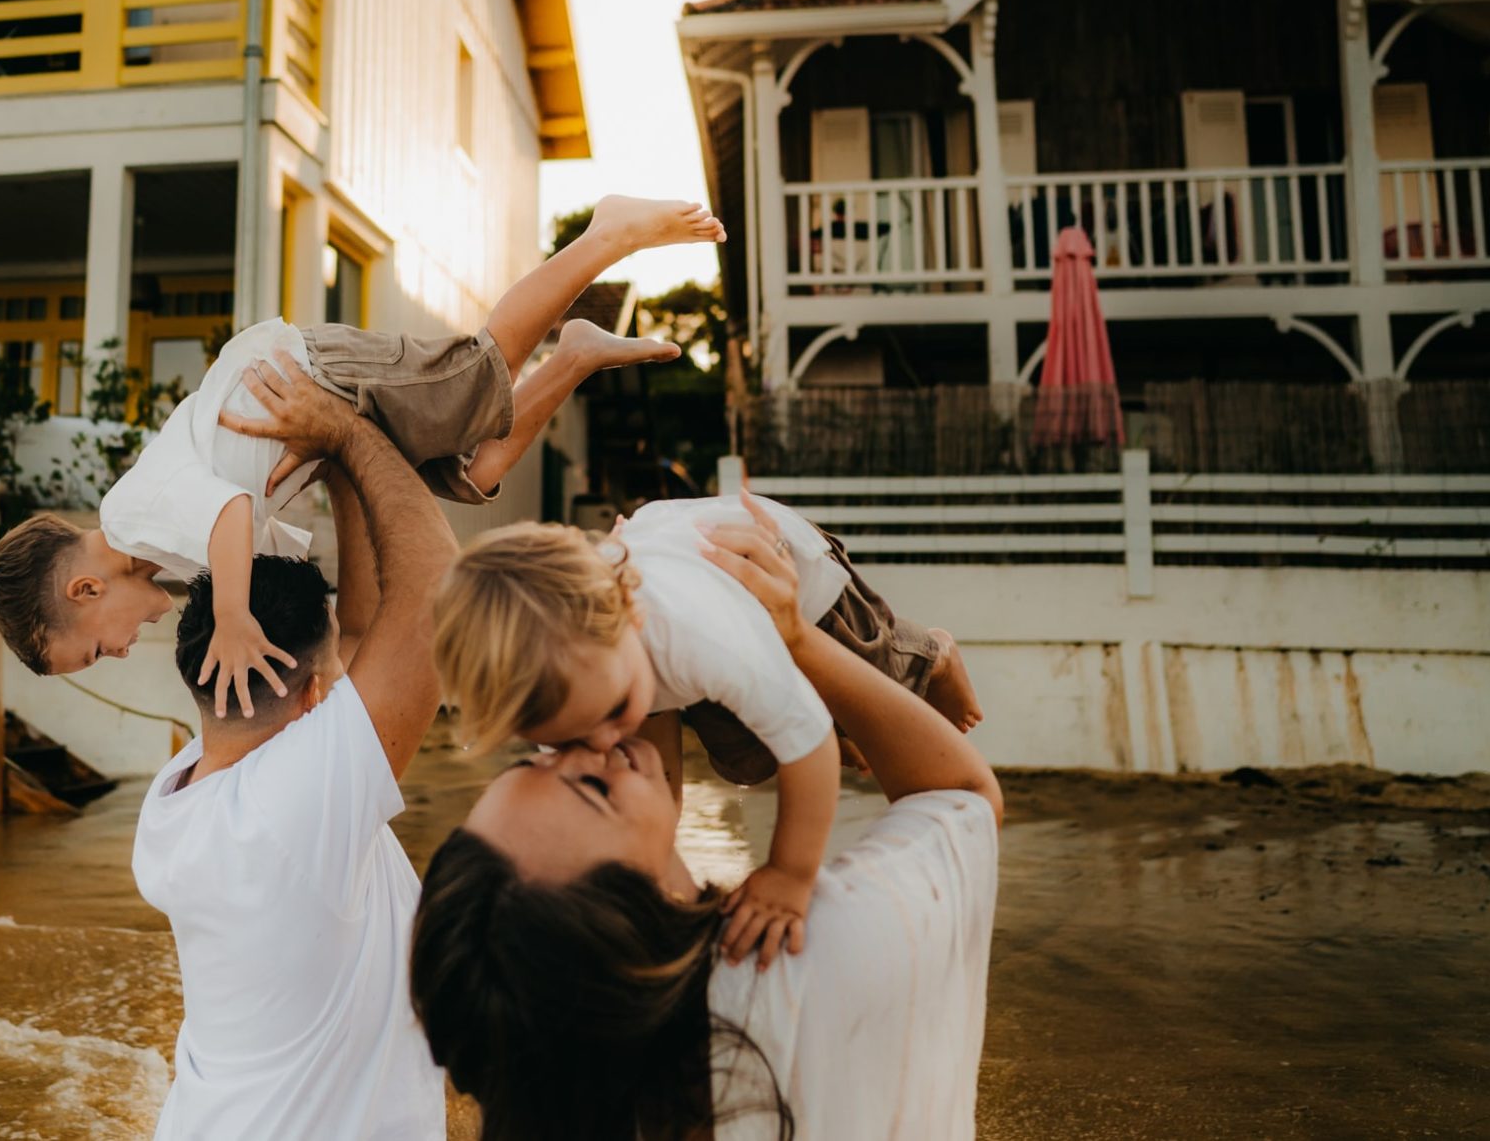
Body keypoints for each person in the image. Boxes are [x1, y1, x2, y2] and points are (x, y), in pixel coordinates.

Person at [0, 194, 721, 711]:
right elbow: (281, 556)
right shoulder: (175, 552)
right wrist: (324, 656)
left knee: (472, 377)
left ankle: (607, 235)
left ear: (85, 591)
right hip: (312, 417)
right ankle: (572, 358)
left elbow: (234, 508)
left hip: (308, 371)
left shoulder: (134, 516)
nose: (121, 650)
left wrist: (233, 619)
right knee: (472, 473)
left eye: (97, 650)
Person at [411, 496, 1003, 1141]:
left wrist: (791, 860)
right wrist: (796, 646)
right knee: (753, 749)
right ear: (624, 921)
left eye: (531, 765)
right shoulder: (836, 953)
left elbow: (736, 754)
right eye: (589, 788)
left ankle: (927, 658)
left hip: (776, 583)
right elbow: (965, 796)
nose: (600, 748)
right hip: (756, 591)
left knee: (834, 691)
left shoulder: (549, 1094)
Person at [430, 491, 982, 960]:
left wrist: (789, 875)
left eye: (613, 711)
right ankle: (814, 717)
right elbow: (657, 787)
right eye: (569, 739)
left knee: (875, 686)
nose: (604, 743)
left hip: (793, 580)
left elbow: (806, 742)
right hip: (682, 591)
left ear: (630, 608)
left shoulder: (695, 640)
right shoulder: (596, 665)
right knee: (744, 760)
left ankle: (933, 655)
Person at [131, 359, 457, 1140]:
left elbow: (363, 629)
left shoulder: (178, 798)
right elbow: (441, 587)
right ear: (316, 697)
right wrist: (347, 430)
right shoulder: (295, 802)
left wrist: (345, 466)